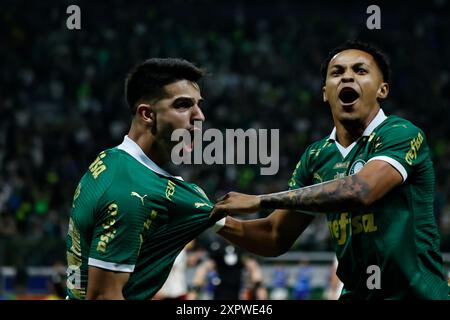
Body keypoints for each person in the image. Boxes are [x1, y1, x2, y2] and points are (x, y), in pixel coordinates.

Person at [212, 40, 449, 300]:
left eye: (360, 70)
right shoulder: (316, 156)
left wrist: (260, 200)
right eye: (337, 72)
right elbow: (274, 235)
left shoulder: (400, 133)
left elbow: (361, 190)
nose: (347, 76)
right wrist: (211, 219)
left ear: (382, 90)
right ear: (326, 92)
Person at [66, 58, 223, 300]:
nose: (199, 116)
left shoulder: (111, 161)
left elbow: (269, 237)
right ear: (147, 114)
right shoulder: (129, 190)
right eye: (183, 105)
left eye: (199, 105)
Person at [189, 236, 268, 300]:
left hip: (237, 291)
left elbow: (253, 267)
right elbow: (204, 268)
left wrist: (259, 286)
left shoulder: (240, 248)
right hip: (220, 292)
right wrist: (195, 289)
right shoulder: (218, 246)